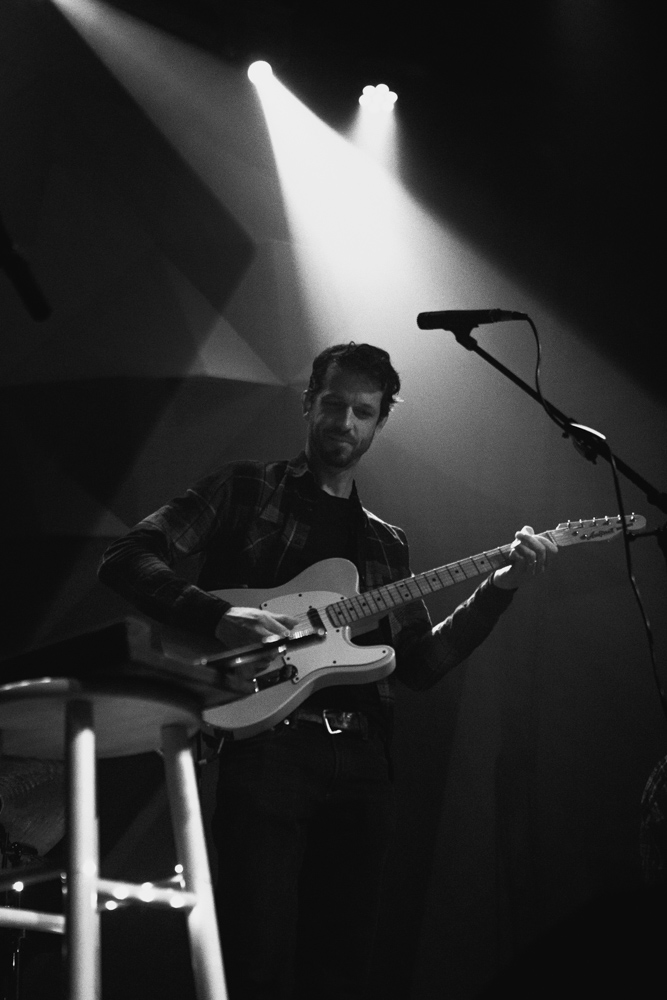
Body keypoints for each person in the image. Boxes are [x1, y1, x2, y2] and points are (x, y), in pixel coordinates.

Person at [98, 342, 557, 999]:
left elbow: (421, 665)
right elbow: (126, 555)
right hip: (268, 747)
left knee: (341, 969)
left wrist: (499, 588)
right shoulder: (244, 490)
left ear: (379, 422)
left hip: (364, 763)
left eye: (362, 411)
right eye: (334, 405)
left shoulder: (384, 543)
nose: (345, 422)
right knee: (253, 956)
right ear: (309, 403)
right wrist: (215, 616)